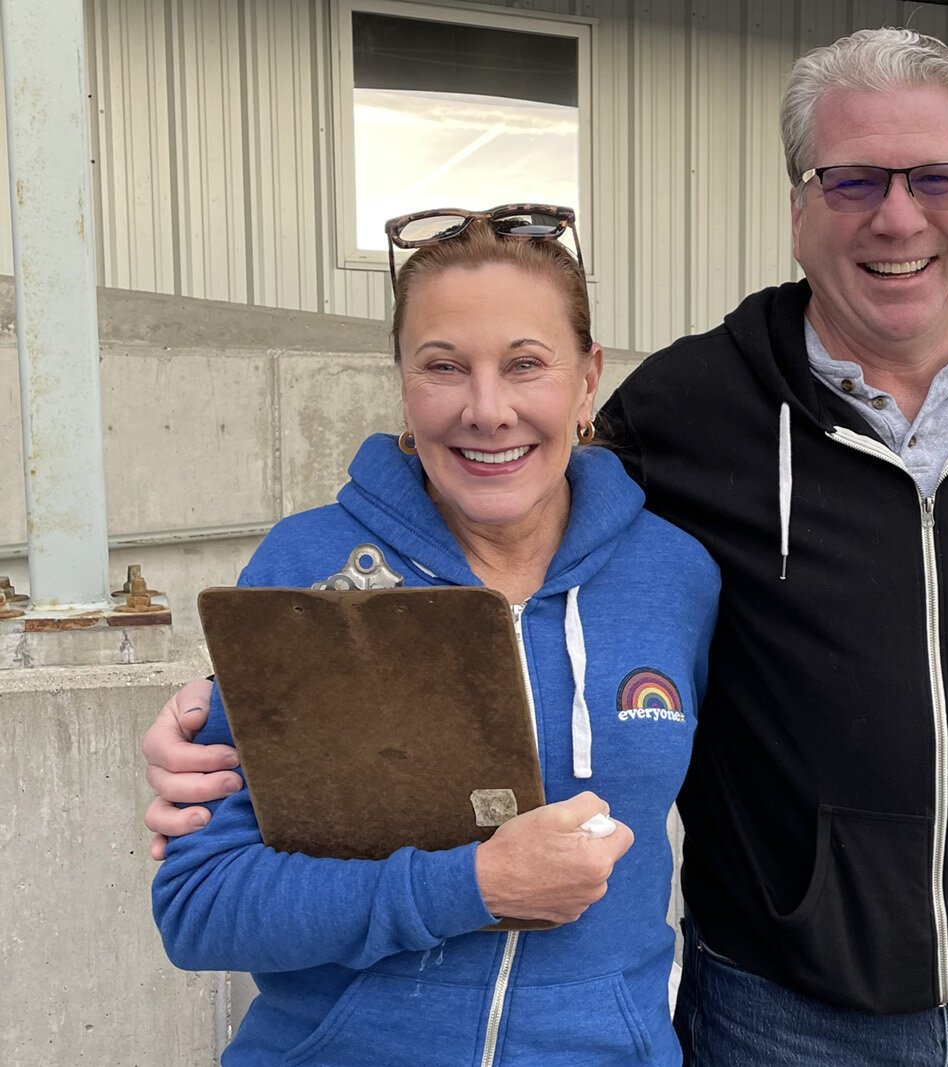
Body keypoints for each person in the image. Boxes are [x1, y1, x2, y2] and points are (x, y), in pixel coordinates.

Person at [145, 29, 948, 1065]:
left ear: (583, 376)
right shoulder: (690, 410)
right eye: (854, 180)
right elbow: (213, 881)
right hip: (777, 1008)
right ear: (798, 207)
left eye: (936, 179)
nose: (898, 214)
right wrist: (213, 720)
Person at [149, 211, 719, 1066]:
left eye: (526, 364)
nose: (488, 411)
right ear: (403, 386)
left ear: (589, 379)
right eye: (444, 366)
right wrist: (473, 886)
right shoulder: (307, 566)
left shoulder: (677, 577)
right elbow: (201, 905)